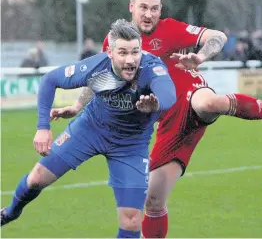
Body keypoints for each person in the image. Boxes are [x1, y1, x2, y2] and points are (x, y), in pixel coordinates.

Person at [49, 0, 262, 238]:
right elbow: (99, 77)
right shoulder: (114, 42)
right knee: (153, 201)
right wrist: (76, 105)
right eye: (143, 7)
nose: (149, 14)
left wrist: (200, 56)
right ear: (131, 6)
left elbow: (217, 36)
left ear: (160, 10)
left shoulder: (169, 29)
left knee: (208, 103)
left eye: (154, 9)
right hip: (169, 125)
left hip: (191, 96)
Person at [0, 19, 177, 238]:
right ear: (110, 53)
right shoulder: (96, 66)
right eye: (123, 52)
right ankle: (9, 213)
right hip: (91, 130)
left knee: (131, 222)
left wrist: (156, 103)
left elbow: (168, 94)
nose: (131, 60)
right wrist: (43, 127)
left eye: (135, 52)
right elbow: (49, 80)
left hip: (130, 145)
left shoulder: (151, 66)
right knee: (36, 178)